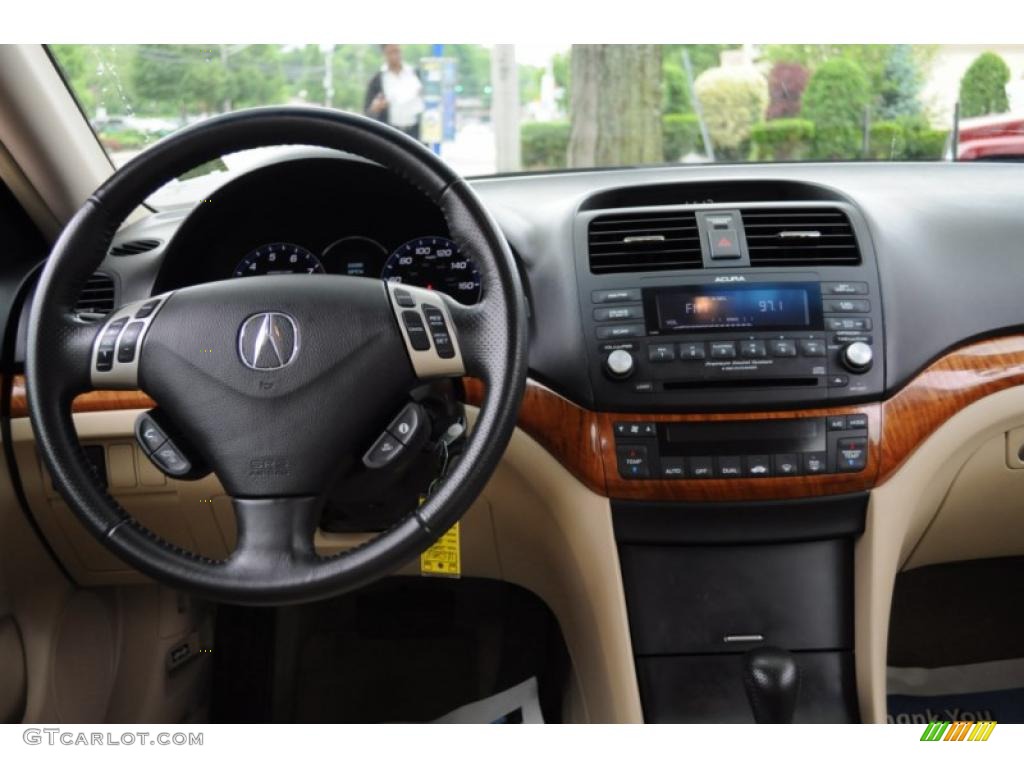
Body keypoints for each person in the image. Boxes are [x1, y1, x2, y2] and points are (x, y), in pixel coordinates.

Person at [364, 45, 425, 140]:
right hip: (390, 133)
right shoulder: (377, 80)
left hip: (416, 132)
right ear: (384, 54)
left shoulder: (415, 73)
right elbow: (367, 112)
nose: (395, 56)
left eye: (397, 51)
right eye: (391, 52)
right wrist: (376, 108)